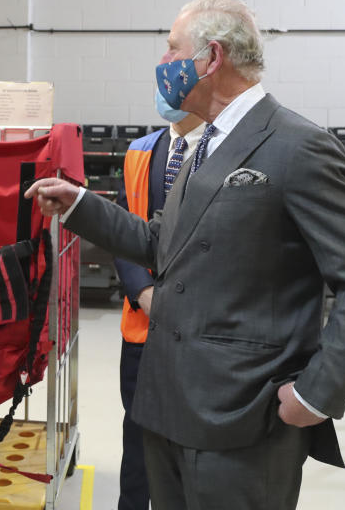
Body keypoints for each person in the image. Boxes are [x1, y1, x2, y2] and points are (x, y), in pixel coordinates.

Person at [27, 0, 345, 509]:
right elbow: (161, 245)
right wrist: (81, 206)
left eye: (171, 50)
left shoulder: (297, 146)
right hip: (168, 409)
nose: (162, 65)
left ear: (211, 58)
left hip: (242, 418)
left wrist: (317, 394)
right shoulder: (205, 143)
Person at [114, 102, 204, 510]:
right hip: (142, 326)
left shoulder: (224, 152)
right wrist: (144, 294)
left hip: (202, 330)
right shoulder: (140, 151)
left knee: (192, 444)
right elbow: (121, 230)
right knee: (137, 440)